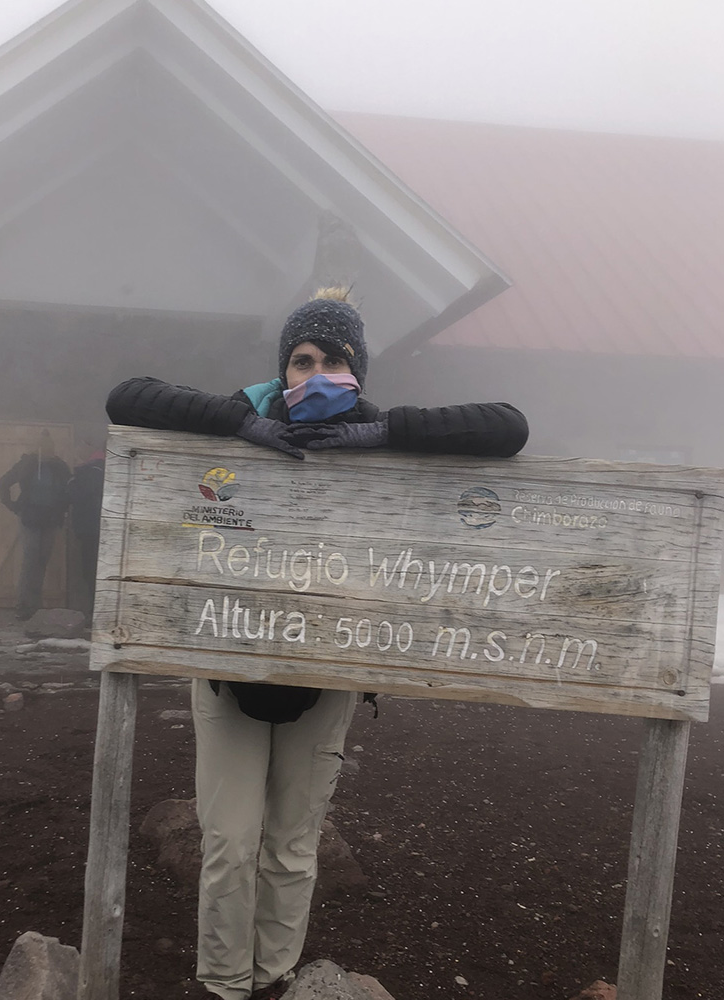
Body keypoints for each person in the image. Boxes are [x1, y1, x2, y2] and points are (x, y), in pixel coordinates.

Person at [105, 288, 529, 1000]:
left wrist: (381, 433)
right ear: (283, 369)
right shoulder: (246, 415)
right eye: (302, 360)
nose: (316, 372)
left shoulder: (377, 425)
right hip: (227, 669)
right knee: (230, 845)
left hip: (326, 672)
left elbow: (508, 426)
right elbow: (126, 396)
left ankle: (272, 981)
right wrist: (242, 424)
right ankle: (222, 984)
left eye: (333, 359)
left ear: (357, 369)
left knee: (293, 850)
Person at [0, 430, 71, 620]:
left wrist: (64, 508)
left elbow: (69, 489)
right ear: (37, 447)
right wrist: (13, 506)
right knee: (31, 560)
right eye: (43, 446)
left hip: (51, 519)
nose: (46, 450)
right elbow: (4, 482)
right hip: (30, 517)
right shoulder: (28, 464)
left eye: (49, 446)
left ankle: (35, 605)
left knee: (42, 560)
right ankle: (23, 605)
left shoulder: (59, 466)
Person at [67, 442, 105, 617]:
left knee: (90, 570)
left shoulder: (88, 473)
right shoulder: (104, 469)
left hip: (90, 528)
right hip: (103, 527)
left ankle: (93, 612)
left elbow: (74, 496)